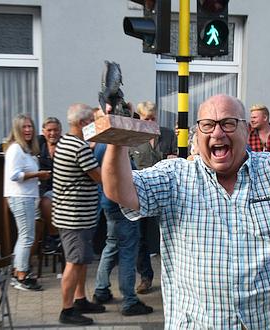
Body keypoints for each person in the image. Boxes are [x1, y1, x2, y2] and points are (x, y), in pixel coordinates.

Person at [101, 93, 270, 328]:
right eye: (208, 125)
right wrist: (117, 139)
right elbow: (121, 191)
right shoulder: (175, 177)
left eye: (228, 123)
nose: (217, 133)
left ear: (246, 130)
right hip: (201, 323)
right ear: (198, 133)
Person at [52, 103, 105, 325]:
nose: (93, 125)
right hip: (74, 216)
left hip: (74, 214)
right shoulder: (79, 147)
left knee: (82, 259)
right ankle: (67, 310)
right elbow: (99, 176)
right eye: (92, 121)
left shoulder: (67, 142)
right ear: (83, 123)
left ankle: (80, 298)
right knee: (74, 262)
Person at [92, 142, 154, 316]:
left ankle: (101, 289)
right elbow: (130, 173)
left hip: (108, 203)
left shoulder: (99, 145)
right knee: (128, 252)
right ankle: (129, 300)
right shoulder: (115, 144)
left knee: (111, 245)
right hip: (122, 205)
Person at [128, 101, 177, 294]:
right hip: (140, 196)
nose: (149, 121)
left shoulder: (167, 134)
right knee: (140, 238)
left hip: (165, 194)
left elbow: (177, 156)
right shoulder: (133, 138)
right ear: (139, 118)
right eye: (146, 118)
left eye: (153, 118)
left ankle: (171, 278)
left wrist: (174, 157)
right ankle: (145, 277)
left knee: (167, 236)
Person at [4, 114, 49, 291]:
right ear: (17, 129)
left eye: (30, 126)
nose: (28, 130)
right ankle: (21, 276)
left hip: (27, 197)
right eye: (24, 127)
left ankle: (18, 271)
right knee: (27, 236)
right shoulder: (16, 149)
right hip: (20, 197)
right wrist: (39, 174)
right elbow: (14, 176)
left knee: (25, 236)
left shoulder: (26, 150)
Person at [38, 117, 62, 253]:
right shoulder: (38, 143)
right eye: (49, 130)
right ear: (43, 131)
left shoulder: (65, 145)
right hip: (42, 187)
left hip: (61, 188)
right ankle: (51, 237)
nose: (53, 133)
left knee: (46, 202)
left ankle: (54, 237)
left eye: (56, 130)